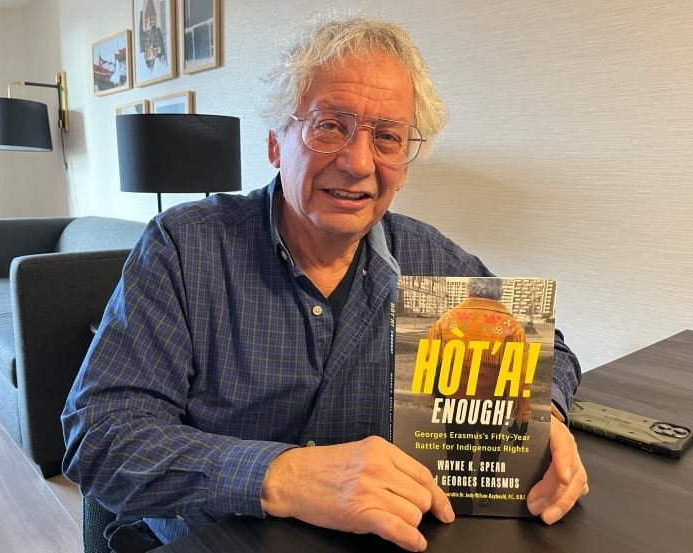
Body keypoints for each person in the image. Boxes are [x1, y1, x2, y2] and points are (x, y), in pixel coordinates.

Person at [62, 13, 588, 553]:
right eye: (330, 126)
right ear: (276, 143)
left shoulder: (430, 259)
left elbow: (556, 351)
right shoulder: (184, 247)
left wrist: (540, 415)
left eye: (387, 137)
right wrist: (282, 476)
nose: (359, 162)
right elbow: (101, 437)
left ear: (404, 165)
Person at [424, 277, 533, 514]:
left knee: (457, 449)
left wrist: (436, 397)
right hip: (493, 402)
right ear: (498, 294)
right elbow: (520, 375)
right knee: (490, 446)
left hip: (456, 401)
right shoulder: (511, 326)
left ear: (469, 291)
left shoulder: (447, 320)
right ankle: (484, 490)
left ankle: (459, 503)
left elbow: (430, 362)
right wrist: (522, 414)